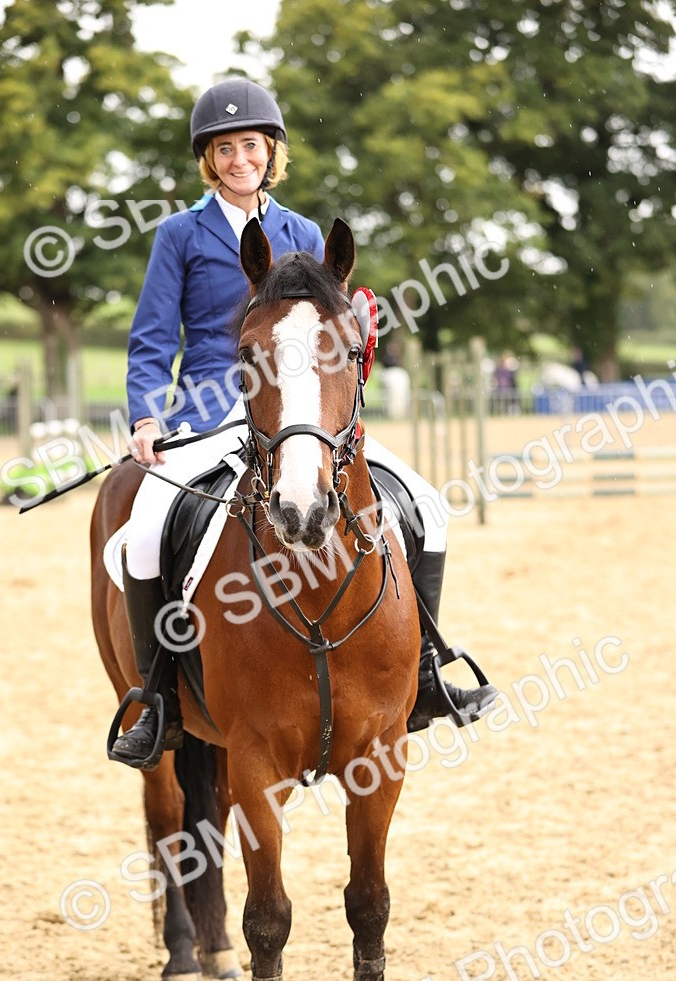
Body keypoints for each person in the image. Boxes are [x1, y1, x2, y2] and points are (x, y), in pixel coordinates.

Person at [111, 79, 497, 769]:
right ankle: (157, 700)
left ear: (270, 151)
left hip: (306, 414)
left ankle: (429, 675)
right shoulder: (178, 235)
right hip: (211, 407)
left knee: (429, 509)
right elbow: (149, 339)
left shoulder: (304, 234)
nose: (239, 159)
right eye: (225, 149)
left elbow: (330, 334)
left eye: (250, 146)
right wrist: (146, 413)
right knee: (141, 534)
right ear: (210, 159)